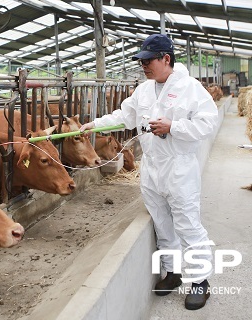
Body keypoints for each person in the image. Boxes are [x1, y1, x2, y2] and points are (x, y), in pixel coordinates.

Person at [80, 34, 218, 310]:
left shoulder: (191, 88)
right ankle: (173, 272)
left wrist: (173, 127)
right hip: (152, 167)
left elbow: (208, 124)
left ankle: (201, 281)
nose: (143, 66)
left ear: (166, 59)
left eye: (148, 60)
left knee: (188, 224)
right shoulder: (143, 91)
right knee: (161, 223)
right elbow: (124, 116)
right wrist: (94, 124)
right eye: (141, 61)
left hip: (179, 166)